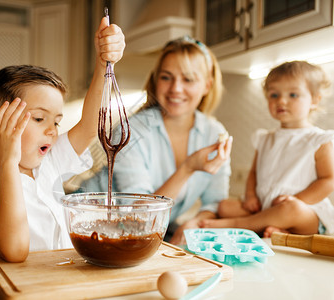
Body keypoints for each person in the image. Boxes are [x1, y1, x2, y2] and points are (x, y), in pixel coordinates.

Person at [0, 17, 125, 262]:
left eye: (56, 121)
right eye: (39, 119)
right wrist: (8, 161)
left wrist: (103, 64)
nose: (52, 131)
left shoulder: (46, 160)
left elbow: (89, 128)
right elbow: (15, 252)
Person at [80, 36, 232, 245]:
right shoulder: (131, 130)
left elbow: (215, 202)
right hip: (88, 224)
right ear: (155, 80)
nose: (176, 88)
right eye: (166, 77)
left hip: (139, 234)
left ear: (207, 85)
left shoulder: (214, 133)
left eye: (188, 79)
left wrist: (195, 223)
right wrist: (188, 168)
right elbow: (139, 215)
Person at [201, 61, 334, 237]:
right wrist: (250, 196)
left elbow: (328, 180)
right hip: (266, 206)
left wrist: (297, 199)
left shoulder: (318, 140)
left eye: (293, 94)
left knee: (290, 210)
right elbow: (254, 172)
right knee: (224, 206)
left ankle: (239, 225)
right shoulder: (265, 138)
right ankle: (279, 231)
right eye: (274, 95)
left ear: (315, 100)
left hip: (305, 212)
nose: (282, 101)